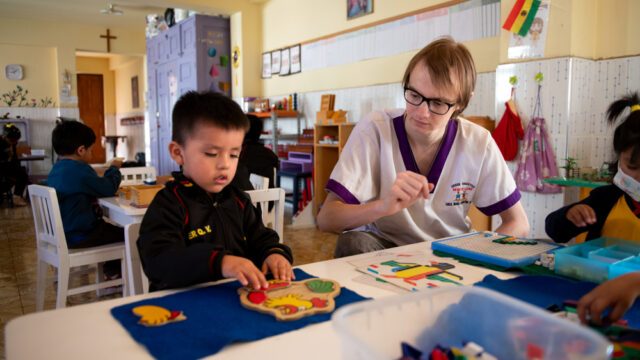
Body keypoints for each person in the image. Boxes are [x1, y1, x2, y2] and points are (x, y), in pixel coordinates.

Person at [317, 37, 529, 258]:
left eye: (438, 103)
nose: (421, 112)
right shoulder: (376, 129)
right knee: (353, 242)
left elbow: (518, 223)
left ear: (461, 104)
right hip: (383, 246)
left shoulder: (478, 142)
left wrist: (477, 256)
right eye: (414, 95)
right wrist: (383, 206)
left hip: (449, 250)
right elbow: (327, 219)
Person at [137, 91, 293, 291]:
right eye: (211, 154)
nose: (225, 165)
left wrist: (274, 253)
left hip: (234, 301)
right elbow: (159, 261)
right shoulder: (169, 204)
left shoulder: (238, 199)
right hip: (185, 305)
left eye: (234, 155)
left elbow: (261, 238)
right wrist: (220, 262)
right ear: (178, 153)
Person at [545, 93, 640, 242]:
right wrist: (569, 215)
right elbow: (555, 229)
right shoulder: (606, 199)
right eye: (632, 166)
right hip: (599, 265)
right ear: (619, 159)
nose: (638, 178)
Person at [47, 120, 123, 277]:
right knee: (130, 234)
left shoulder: (57, 168)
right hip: (80, 234)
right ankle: (113, 273)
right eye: (91, 150)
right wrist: (114, 168)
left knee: (112, 231)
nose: (92, 154)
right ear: (81, 150)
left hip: (64, 233)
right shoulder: (79, 170)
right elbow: (107, 188)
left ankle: (112, 273)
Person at [239, 114, 279, 189]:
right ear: (260, 132)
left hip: (246, 199)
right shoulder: (271, 154)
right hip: (268, 199)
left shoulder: (240, 154)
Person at [0, 123, 29, 206]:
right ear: (5, 137)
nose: (15, 142)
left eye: (16, 140)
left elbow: (14, 159)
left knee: (22, 173)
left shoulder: (12, 144)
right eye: (12, 140)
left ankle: (17, 196)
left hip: (7, 168)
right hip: (2, 168)